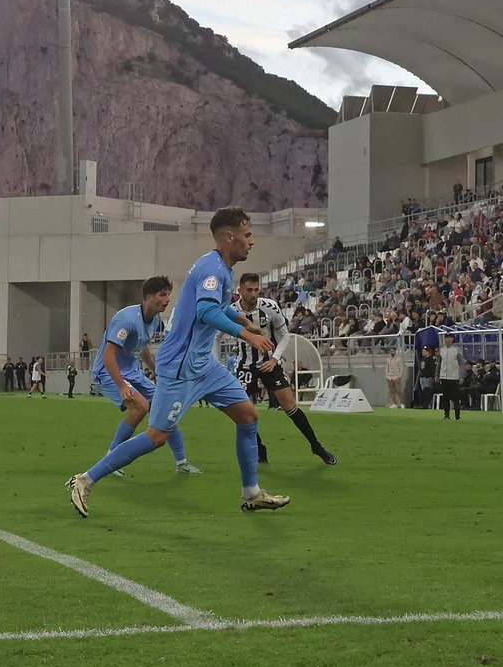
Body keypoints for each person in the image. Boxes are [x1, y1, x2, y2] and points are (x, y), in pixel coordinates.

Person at [67, 207, 288, 516]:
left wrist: (244, 320)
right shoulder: (211, 270)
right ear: (229, 237)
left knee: (249, 417)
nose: (252, 241)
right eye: (247, 235)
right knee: (157, 436)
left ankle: (251, 493)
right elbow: (206, 312)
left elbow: (218, 306)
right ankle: (85, 480)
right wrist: (246, 335)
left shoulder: (223, 269)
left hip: (204, 365)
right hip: (181, 367)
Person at [85, 276, 199, 479]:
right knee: (140, 407)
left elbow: (142, 347)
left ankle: (181, 462)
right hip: (108, 372)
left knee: (165, 408)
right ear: (148, 297)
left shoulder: (154, 320)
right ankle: (111, 459)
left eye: (168, 294)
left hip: (132, 372)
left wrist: (158, 372)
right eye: (162, 294)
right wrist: (122, 386)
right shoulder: (126, 320)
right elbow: (108, 356)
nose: (167, 299)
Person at [227, 274, 335, 465]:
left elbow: (285, 336)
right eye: (249, 290)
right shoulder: (232, 311)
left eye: (256, 289)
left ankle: (316, 446)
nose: (253, 294)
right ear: (240, 291)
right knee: (243, 413)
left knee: (289, 406)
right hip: (245, 366)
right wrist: (218, 365)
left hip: (270, 363)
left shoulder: (269, 307)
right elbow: (216, 336)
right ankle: (260, 450)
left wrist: (274, 359)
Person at [438, 333, 464, 420]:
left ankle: (457, 415)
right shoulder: (442, 350)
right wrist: (437, 374)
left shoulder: (456, 350)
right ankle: (446, 414)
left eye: (450, 338)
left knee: (455, 397)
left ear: (452, 339)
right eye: (447, 338)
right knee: (445, 397)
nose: (448, 339)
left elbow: (461, 363)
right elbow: (439, 363)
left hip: (454, 377)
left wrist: (461, 375)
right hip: (444, 376)